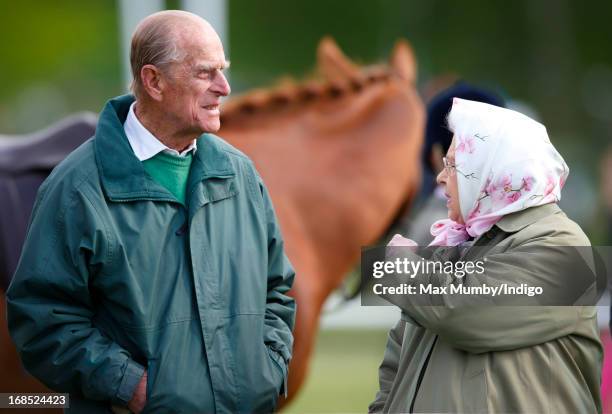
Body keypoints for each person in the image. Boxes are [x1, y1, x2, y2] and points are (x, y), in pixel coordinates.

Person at [7, 10, 295, 414]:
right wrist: (133, 387)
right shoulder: (75, 188)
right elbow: (42, 321)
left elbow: (276, 289)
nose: (224, 87)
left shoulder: (241, 175)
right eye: (205, 73)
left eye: (223, 70)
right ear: (153, 81)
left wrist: (265, 369)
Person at [370, 98, 602, 413]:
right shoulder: (455, 244)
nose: (439, 178)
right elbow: (396, 368)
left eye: (453, 165)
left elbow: (460, 310)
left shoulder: (565, 247)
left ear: (494, 170)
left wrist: (398, 264)